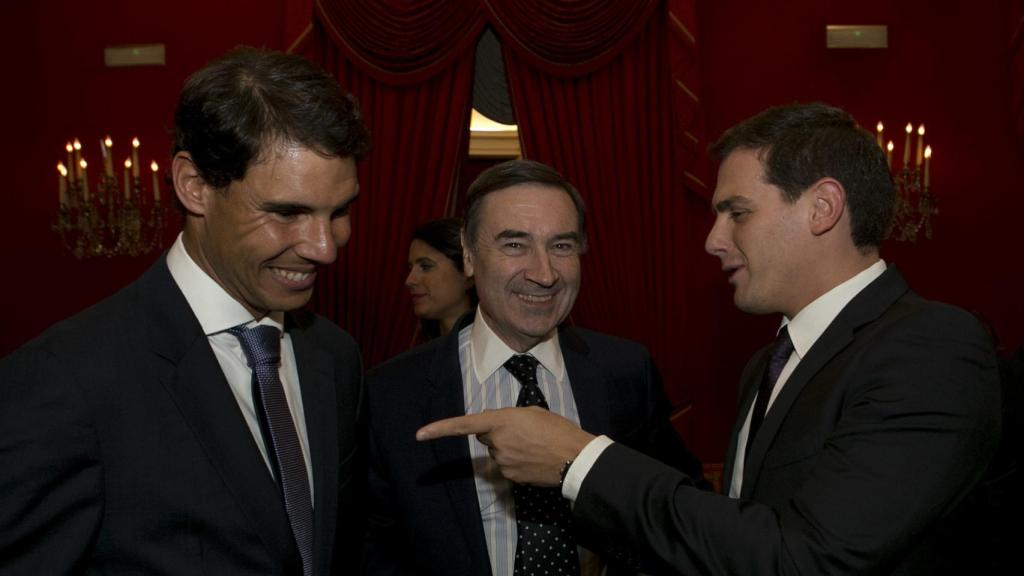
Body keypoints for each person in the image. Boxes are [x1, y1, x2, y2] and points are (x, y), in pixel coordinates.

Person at [417, 103, 1002, 575]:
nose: (713, 239)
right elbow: (723, 537)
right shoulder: (768, 363)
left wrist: (577, 459)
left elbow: (806, 558)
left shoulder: (932, 348)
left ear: (823, 208)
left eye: (736, 212)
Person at [0, 47, 371, 575]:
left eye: (339, 212)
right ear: (195, 187)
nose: (324, 247)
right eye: (288, 212)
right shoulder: (66, 381)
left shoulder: (334, 357)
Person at [363, 159, 705, 575]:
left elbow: (676, 506)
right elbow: (374, 551)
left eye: (561, 245)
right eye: (514, 245)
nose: (544, 274)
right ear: (469, 257)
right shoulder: (393, 392)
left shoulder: (625, 371)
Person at [406, 217, 476, 341]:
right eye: (410, 268)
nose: (409, 281)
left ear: (467, 272)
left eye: (426, 266)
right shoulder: (422, 355)